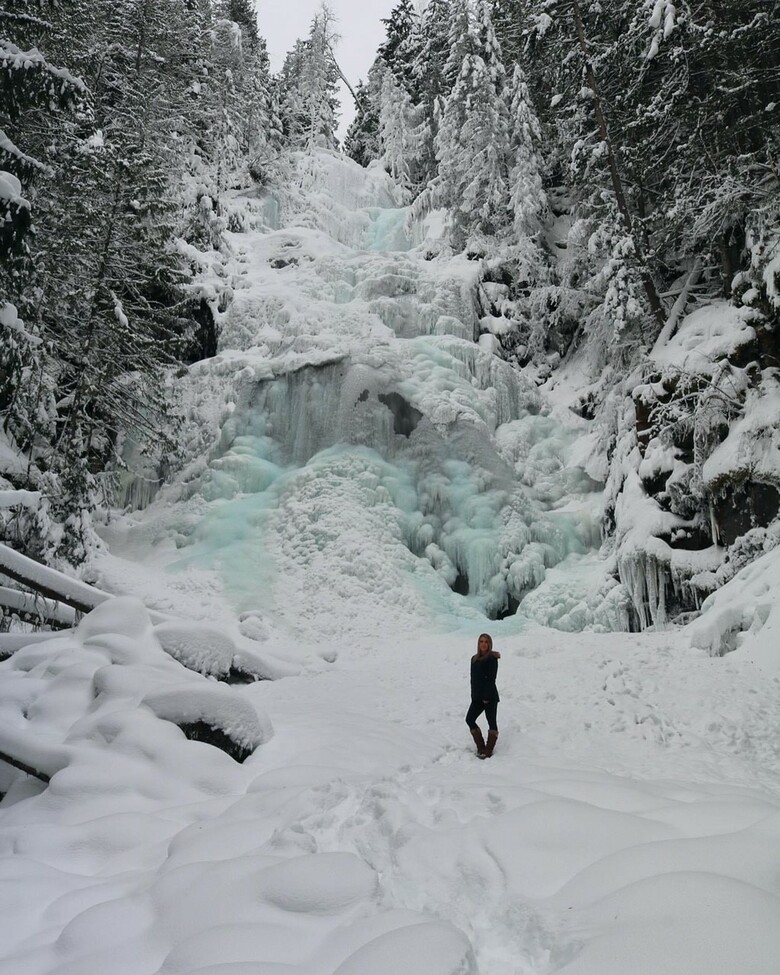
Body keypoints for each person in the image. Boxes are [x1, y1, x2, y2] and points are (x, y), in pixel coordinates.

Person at [465, 632, 500, 758]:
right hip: (477, 698)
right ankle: (480, 747)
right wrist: (474, 696)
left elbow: (491, 679)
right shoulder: (474, 659)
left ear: (489, 644)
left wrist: (486, 697)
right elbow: (473, 679)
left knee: (491, 723)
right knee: (469, 719)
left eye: (486, 642)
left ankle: (488, 750)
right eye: (481, 642)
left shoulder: (492, 659)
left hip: (490, 698)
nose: (483, 644)